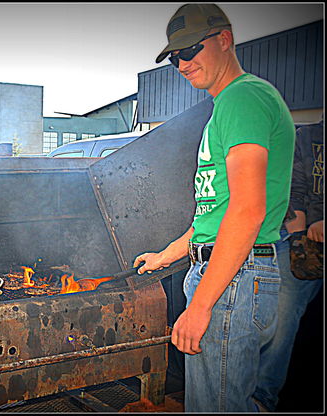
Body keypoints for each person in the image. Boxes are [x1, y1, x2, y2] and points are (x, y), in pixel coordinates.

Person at [133, 4, 295, 412]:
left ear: (225, 40)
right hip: (231, 275)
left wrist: (201, 304)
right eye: (174, 57)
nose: (182, 64)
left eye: (190, 51)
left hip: (232, 280)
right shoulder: (226, 105)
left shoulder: (243, 98)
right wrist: (166, 255)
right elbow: (216, 212)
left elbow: (247, 210)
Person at [254, 118, 324, 411]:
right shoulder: (308, 134)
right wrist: (300, 236)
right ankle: (261, 399)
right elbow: (293, 188)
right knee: (279, 319)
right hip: (305, 240)